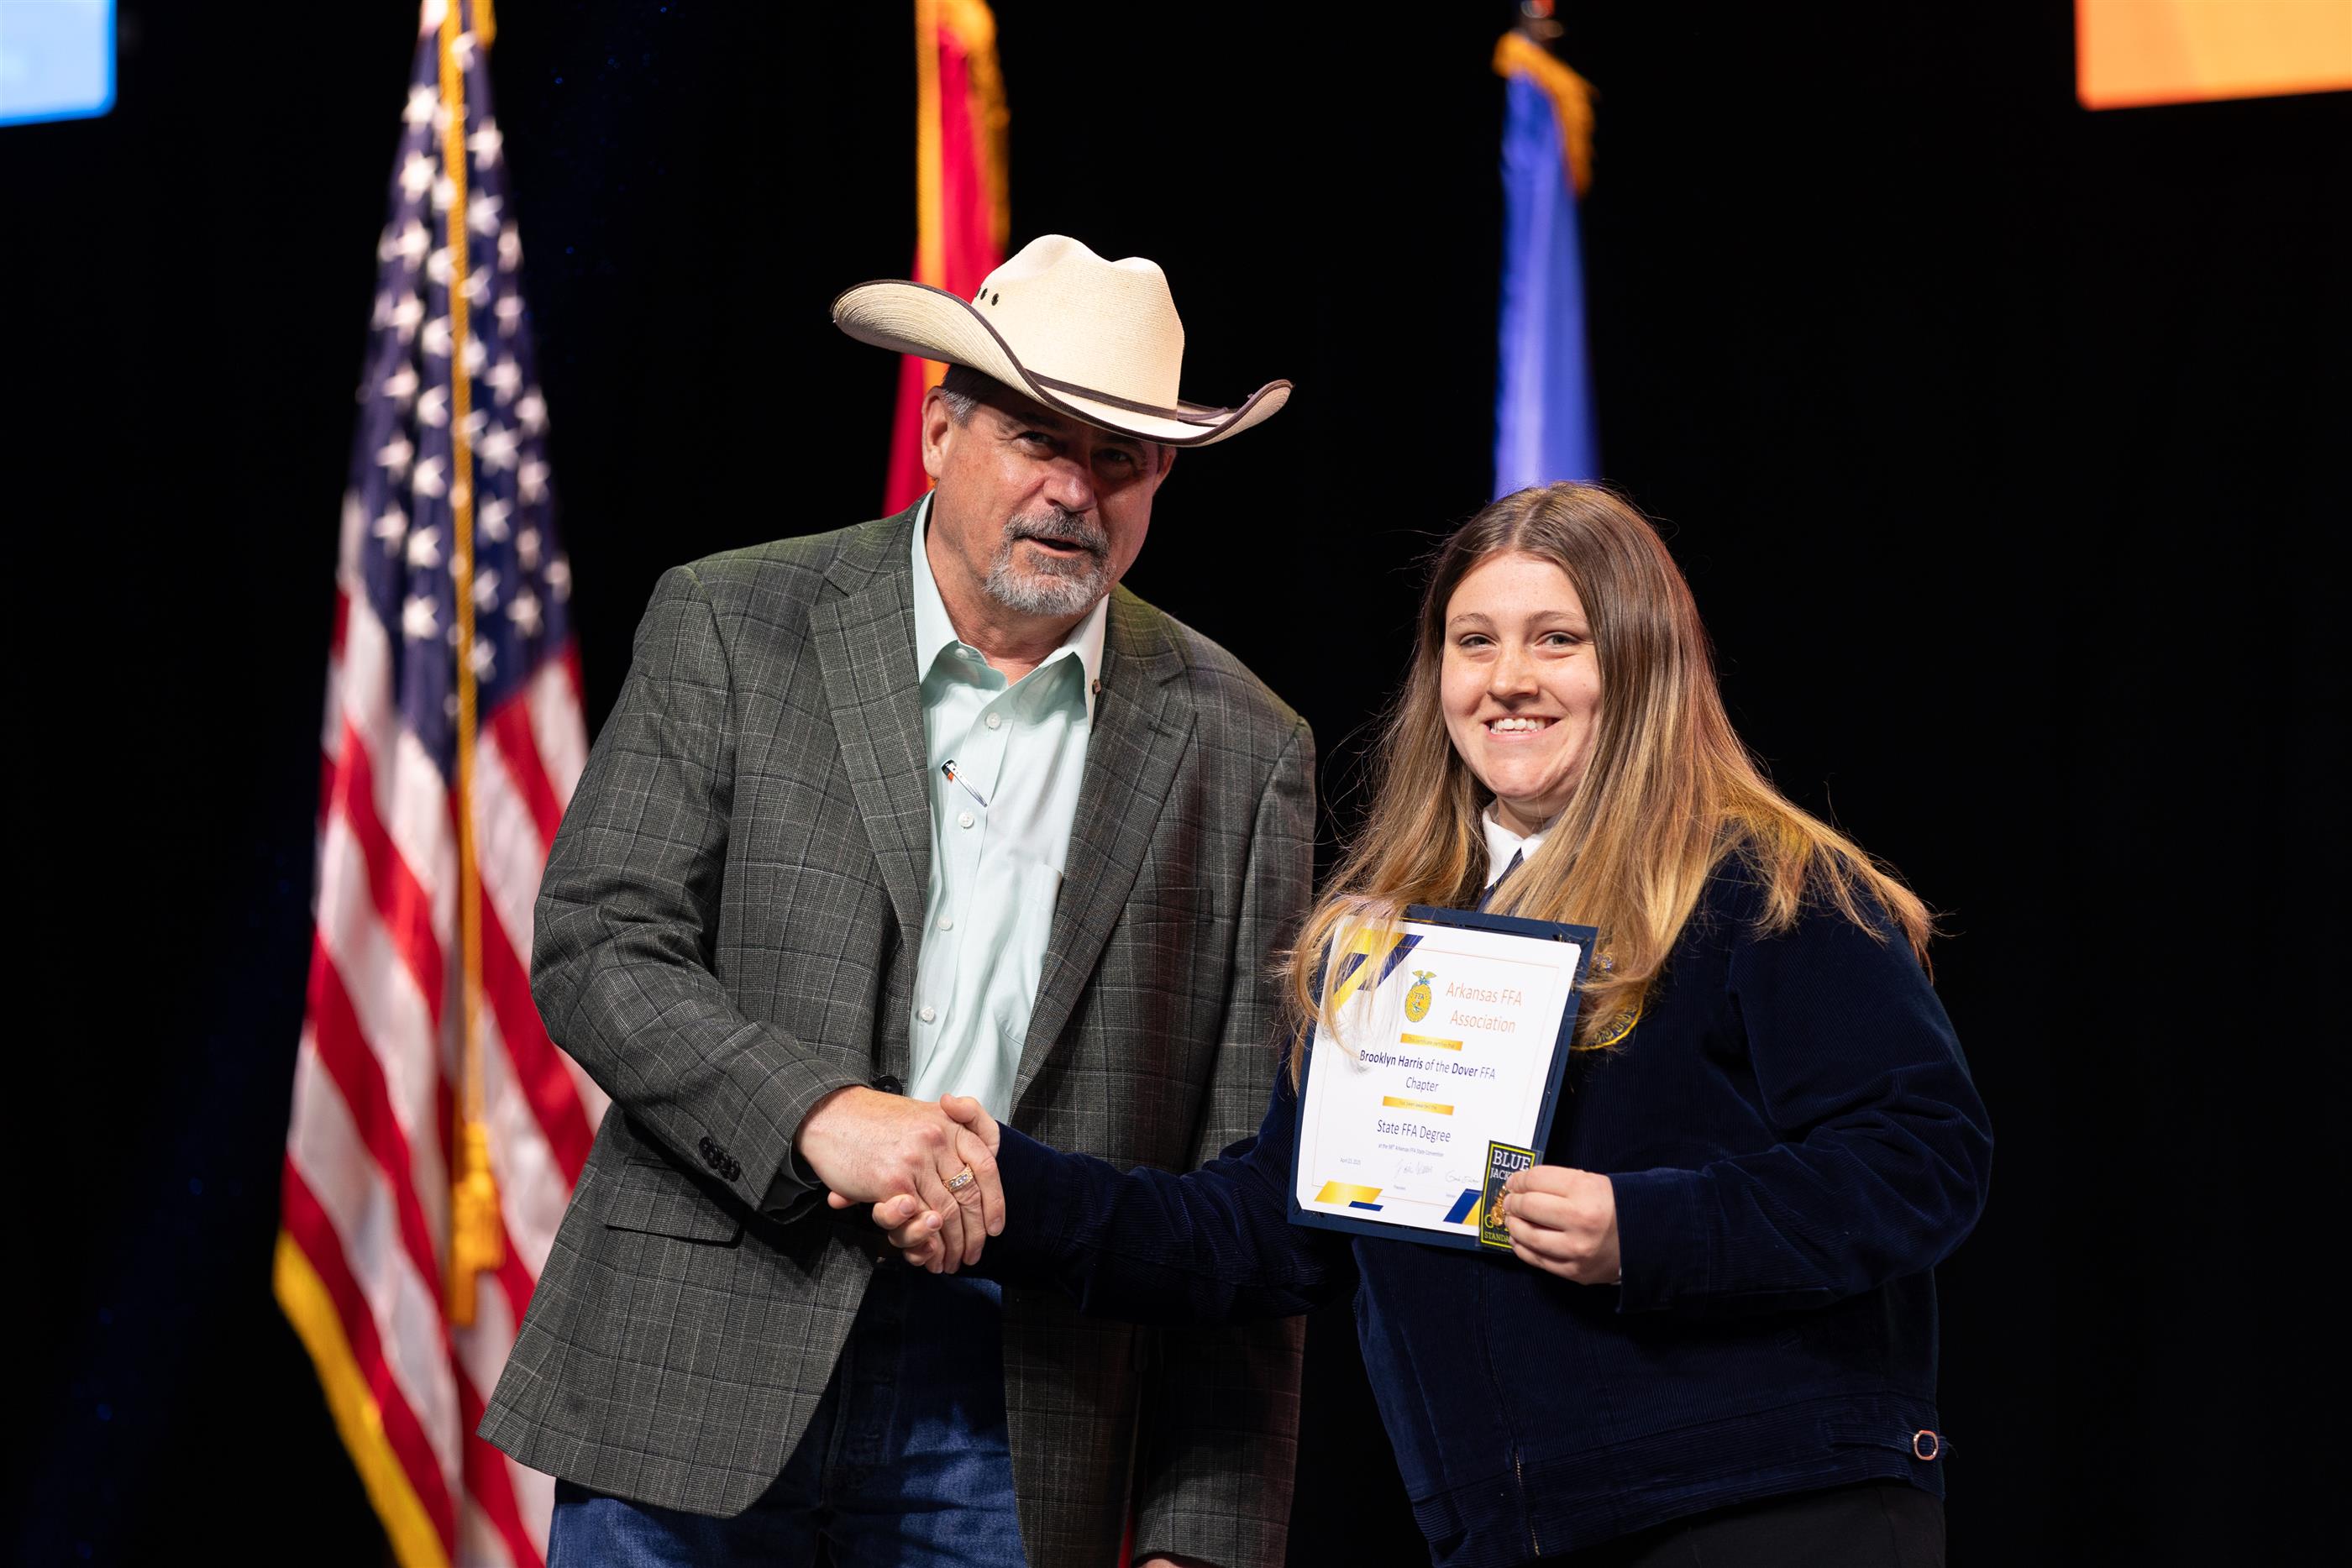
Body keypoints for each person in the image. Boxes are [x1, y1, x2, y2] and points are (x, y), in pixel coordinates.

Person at [864, 483, 1993, 1565]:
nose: (1509, 681)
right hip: (1520, 1536)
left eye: (1559, 640)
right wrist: (1012, 1191)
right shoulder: (1393, 939)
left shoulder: (1766, 881)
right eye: (1474, 642)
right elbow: (1268, 1231)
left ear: (1642, 663)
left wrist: (1643, 1231)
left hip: (1769, 1507)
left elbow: (1923, 1157)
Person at [480, 234, 1312, 1568]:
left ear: (1160, 479)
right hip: (699, 1353)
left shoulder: (1244, 743)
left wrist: (1199, 1541)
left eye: (1118, 458)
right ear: (938, 434)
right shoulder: (732, 620)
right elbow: (599, 941)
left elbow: (1248, 1189)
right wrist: (818, 1116)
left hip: (1016, 1409)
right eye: (1037, 438)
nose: (1072, 490)